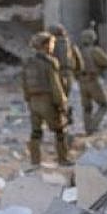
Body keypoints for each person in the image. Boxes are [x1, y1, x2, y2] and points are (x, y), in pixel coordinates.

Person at [21, 32, 72, 166]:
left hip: (33, 102)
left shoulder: (28, 63)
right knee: (60, 130)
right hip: (47, 101)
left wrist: (28, 100)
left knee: (36, 132)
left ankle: (35, 161)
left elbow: (24, 85)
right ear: (45, 45)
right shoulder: (49, 63)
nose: (53, 47)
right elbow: (56, 87)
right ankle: (63, 159)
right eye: (51, 43)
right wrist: (63, 104)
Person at [77, 28, 107, 134]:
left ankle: (87, 128)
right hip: (92, 81)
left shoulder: (78, 52)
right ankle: (93, 126)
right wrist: (99, 70)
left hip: (81, 82)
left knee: (87, 107)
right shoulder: (95, 51)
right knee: (104, 105)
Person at [50, 24, 83, 120]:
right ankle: (66, 114)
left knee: (55, 98)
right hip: (69, 74)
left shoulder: (50, 46)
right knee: (64, 97)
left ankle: (60, 117)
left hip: (56, 74)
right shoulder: (71, 45)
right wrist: (77, 74)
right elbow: (79, 61)